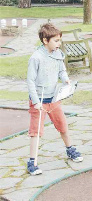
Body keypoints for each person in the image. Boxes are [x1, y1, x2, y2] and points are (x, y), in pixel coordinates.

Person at [26, 23, 83, 176]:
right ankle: (32, 161)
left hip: (54, 98)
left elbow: (61, 70)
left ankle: (70, 149)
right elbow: (30, 81)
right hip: (39, 101)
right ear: (45, 40)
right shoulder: (36, 58)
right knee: (36, 132)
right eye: (56, 41)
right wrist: (36, 102)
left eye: (60, 40)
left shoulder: (58, 54)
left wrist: (65, 79)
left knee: (62, 125)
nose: (59, 44)